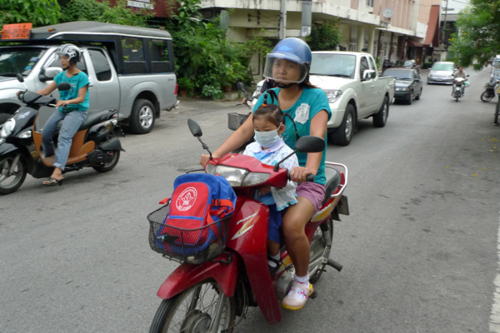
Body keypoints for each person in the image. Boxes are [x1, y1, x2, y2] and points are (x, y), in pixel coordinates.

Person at [200, 37, 331, 311]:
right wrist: (217, 157)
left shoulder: (315, 97)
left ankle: (302, 280)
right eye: (278, 63)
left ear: (303, 69)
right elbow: (246, 130)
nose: (281, 69)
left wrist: (308, 170)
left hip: (301, 179)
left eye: (290, 65)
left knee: (291, 225)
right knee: (229, 208)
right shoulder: (268, 96)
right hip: (262, 174)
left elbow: (317, 136)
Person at [242, 102, 298, 276]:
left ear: (280, 129)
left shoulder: (286, 154)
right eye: (257, 130)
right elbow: (242, 166)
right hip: (250, 197)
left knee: (269, 228)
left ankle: (274, 256)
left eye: (266, 130)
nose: (261, 134)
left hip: (272, 201)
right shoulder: (250, 148)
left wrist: (272, 184)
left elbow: (291, 182)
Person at [36, 44, 90, 186]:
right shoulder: (60, 76)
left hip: (77, 110)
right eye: (60, 57)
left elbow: (81, 98)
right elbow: (46, 91)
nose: (62, 60)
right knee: (46, 133)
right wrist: (26, 95)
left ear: (73, 58)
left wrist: (67, 101)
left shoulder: (81, 76)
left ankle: (59, 171)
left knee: (64, 137)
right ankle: (50, 159)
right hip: (63, 109)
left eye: (65, 57)